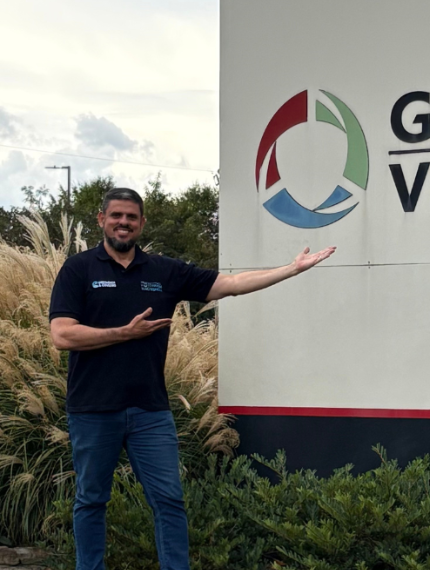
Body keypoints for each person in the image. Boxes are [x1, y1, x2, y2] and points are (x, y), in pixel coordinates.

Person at [48, 187, 335, 570]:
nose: (123, 223)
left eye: (131, 217)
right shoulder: (79, 269)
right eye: (116, 215)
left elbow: (231, 285)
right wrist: (123, 333)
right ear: (102, 219)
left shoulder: (163, 271)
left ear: (142, 223)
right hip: (93, 409)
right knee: (91, 500)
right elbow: (62, 335)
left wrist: (291, 269)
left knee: (169, 500)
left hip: (150, 412)